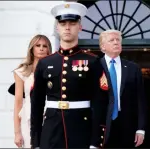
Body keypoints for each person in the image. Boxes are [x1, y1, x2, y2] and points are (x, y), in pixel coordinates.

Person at [30, 2, 106, 149]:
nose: (67, 27)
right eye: (63, 23)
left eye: (72, 23)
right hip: (51, 130)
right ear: (57, 28)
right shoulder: (45, 63)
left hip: (81, 130)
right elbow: (37, 104)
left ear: (80, 27)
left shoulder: (92, 61)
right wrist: (36, 142)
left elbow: (99, 103)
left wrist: (95, 142)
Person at [90, 29, 146, 148]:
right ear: (103, 47)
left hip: (126, 124)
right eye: (112, 40)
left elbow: (140, 100)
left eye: (118, 40)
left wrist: (140, 128)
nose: (116, 43)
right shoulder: (94, 67)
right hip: (101, 124)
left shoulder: (133, 68)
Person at [8, 34, 52, 148]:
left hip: (52, 117)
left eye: (45, 46)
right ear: (32, 48)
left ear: (49, 49)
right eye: (38, 45)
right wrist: (17, 133)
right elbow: (18, 102)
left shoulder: (55, 69)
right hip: (29, 118)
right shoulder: (22, 71)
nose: (41, 48)